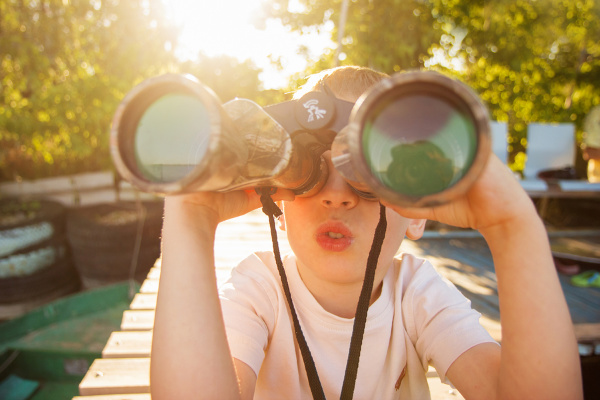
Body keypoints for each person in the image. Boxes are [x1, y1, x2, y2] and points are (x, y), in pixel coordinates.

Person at [150, 66, 583, 399]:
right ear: (278, 199)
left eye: (370, 173)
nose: (337, 196)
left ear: (418, 214)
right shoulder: (258, 291)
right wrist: (192, 217)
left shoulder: (418, 295)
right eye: (310, 170)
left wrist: (512, 225)